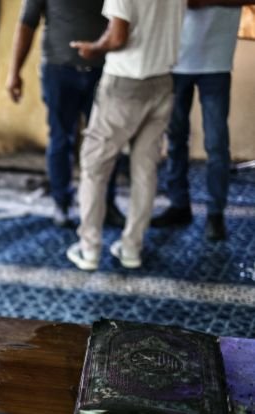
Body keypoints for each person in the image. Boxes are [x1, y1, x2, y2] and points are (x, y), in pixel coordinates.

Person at [65, 0, 185, 271]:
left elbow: (118, 36)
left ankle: (89, 249)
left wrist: (93, 48)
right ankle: (132, 248)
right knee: (145, 169)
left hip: (125, 83)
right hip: (163, 81)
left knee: (95, 166)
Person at [5, 0, 125, 228]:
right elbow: (27, 23)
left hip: (105, 70)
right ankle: (61, 203)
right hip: (59, 71)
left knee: (106, 141)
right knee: (61, 139)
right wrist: (14, 72)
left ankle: (106, 203)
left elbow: (124, 19)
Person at [152, 0, 253, 241]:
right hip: (176, 60)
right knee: (175, 137)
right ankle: (179, 205)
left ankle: (215, 214)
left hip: (216, 62)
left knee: (217, 144)